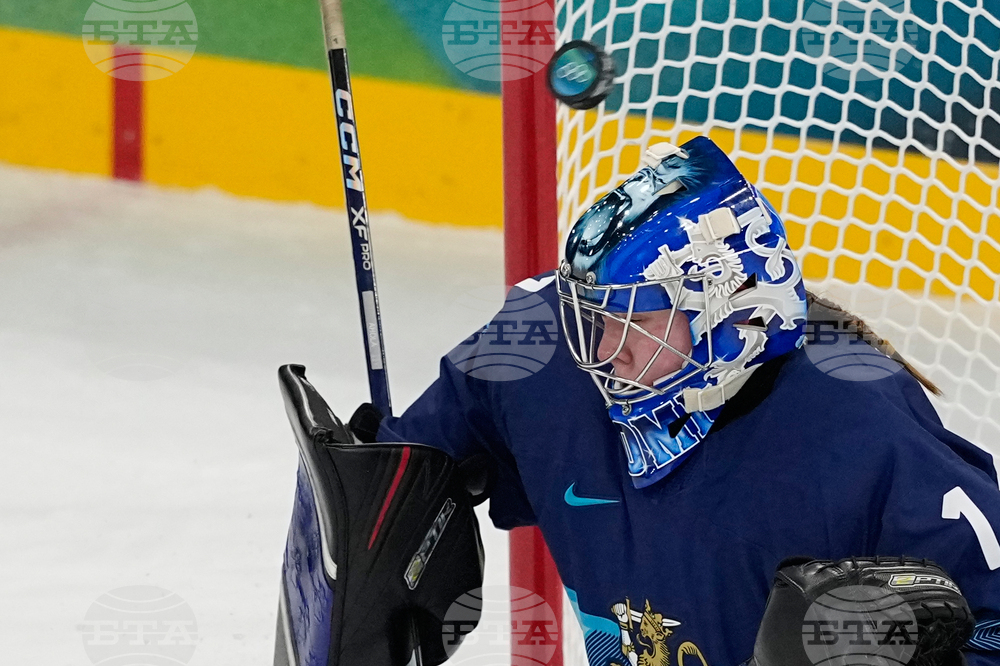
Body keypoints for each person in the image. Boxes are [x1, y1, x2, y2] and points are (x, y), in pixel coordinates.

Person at [366, 137, 1000, 666]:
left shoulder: (863, 431)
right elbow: (407, 465)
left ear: (728, 314)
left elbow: (990, 627)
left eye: (635, 322)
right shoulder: (545, 355)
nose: (604, 352)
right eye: (595, 319)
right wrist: (364, 496)